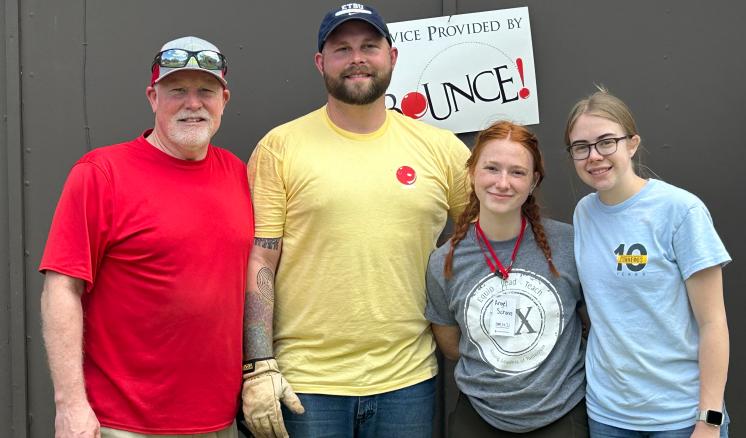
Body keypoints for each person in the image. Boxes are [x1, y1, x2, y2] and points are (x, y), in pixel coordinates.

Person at [240, 3, 471, 437]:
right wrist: (257, 364)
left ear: (393, 57)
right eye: (342, 49)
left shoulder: (443, 150)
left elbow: (482, 242)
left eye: (369, 46)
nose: (357, 58)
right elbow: (261, 260)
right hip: (306, 383)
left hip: (409, 379)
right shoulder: (280, 147)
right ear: (320, 62)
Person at [39, 36, 253, 437]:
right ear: (153, 97)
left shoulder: (238, 174)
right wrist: (70, 405)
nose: (193, 103)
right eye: (177, 91)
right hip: (123, 424)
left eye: (205, 91)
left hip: (219, 421)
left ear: (224, 98)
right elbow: (61, 289)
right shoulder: (102, 173)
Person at [565, 88, 730, 437]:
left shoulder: (680, 211)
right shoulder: (584, 214)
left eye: (606, 142)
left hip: (680, 417)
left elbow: (713, 324)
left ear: (632, 144)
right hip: (608, 415)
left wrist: (709, 418)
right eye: (582, 147)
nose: (594, 156)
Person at [426, 121, 589, 437]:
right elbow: (451, 344)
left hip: (562, 413)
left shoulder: (569, 245)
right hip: (479, 416)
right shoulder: (444, 261)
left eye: (517, 172)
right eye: (491, 168)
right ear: (471, 172)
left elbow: (592, 320)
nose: (503, 182)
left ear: (533, 181)